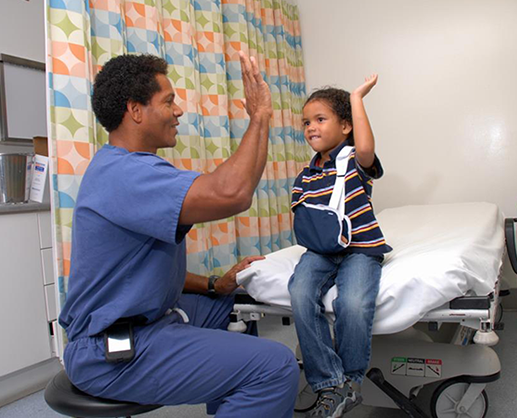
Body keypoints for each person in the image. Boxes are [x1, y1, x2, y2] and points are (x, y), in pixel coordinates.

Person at [58, 52, 299, 418]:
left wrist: (215, 285)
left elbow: (141, 270)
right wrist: (260, 116)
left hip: (147, 316)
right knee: (275, 366)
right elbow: (232, 193)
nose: (178, 110)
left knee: (236, 310)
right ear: (135, 111)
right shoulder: (124, 174)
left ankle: (233, 402)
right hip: (111, 350)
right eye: (168, 101)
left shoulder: (128, 167)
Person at [288, 77, 392, 418]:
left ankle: (350, 381)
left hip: (361, 248)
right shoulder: (306, 174)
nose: (311, 127)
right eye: (306, 122)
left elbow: (365, 147)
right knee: (301, 292)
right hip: (320, 250)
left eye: (320, 119)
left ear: (345, 126)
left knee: (353, 302)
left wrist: (356, 99)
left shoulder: (354, 163)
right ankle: (329, 382)